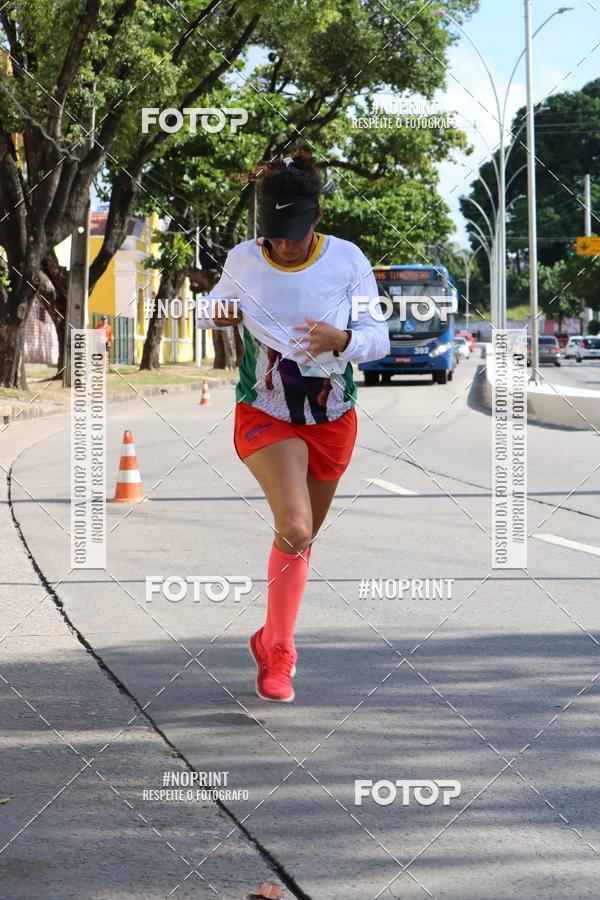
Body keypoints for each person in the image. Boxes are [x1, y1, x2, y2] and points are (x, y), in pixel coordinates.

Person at [202, 149, 390, 702]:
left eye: (294, 232)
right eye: (274, 233)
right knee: (297, 525)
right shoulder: (245, 257)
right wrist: (221, 312)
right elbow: (208, 307)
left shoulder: (347, 260)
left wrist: (345, 341)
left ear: (317, 216)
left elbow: (378, 339)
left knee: (299, 537)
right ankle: (282, 655)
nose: (283, 244)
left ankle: (267, 635)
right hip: (265, 409)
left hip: (333, 417)